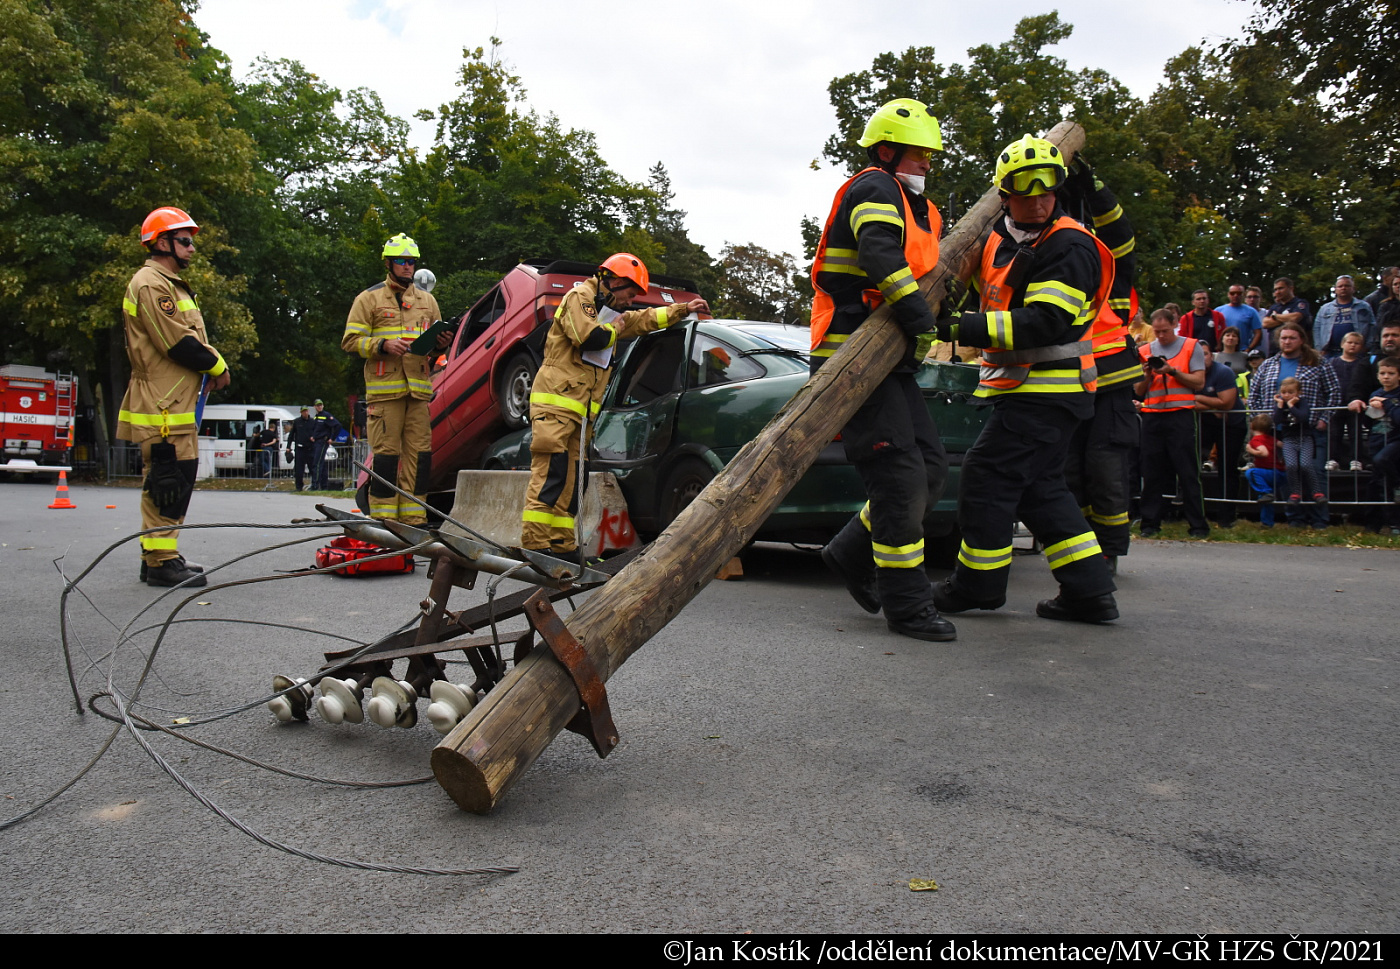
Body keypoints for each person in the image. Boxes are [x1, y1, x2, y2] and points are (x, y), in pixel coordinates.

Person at [931, 134, 1118, 624]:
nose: (1037, 195)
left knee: (985, 478)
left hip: (1048, 392)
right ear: (1003, 192)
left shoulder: (1071, 245)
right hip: (1031, 391)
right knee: (1041, 490)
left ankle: (978, 585)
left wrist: (959, 327)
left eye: (1047, 185)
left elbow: (1043, 322)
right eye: (1024, 185)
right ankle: (1090, 592)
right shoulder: (1001, 239)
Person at [811, 98, 954, 642]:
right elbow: (878, 255)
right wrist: (921, 321)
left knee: (931, 467)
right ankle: (907, 605)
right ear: (888, 150)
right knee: (898, 475)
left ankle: (850, 551)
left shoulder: (919, 207)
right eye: (918, 154)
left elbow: (921, 269)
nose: (925, 164)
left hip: (884, 356)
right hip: (850, 352)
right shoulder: (873, 186)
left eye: (929, 157)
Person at [523, 253, 709, 562]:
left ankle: (561, 545)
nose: (631, 300)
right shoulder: (580, 297)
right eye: (630, 293)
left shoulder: (609, 311)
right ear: (613, 282)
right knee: (551, 474)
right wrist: (615, 328)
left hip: (580, 413)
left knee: (574, 480)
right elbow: (589, 337)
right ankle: (535, 544)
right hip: (556, 406)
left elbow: (643, 320)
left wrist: (682, 309)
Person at [117, 207, 230, 588]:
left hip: (175, 401)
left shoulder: (167, 283)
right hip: (163, 405)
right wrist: (218, 367)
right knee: (169, 479)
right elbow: (178, 343)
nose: (192, 248)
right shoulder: (152, 283)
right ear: (162, 243)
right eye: (185, 241)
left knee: (173, 477)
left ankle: (158, 556)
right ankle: (161, 562)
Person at [1057, 162, 1141, 573]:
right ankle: (1082, 547)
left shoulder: (1113, 267)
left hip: (1110, 381)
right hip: (1065, 381)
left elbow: (1119, 233)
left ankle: (1107, 552)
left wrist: (1094, 187)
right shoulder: (1055, 258)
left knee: (1105, 468)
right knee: (1070, 469)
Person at [341, 234, 446, 521]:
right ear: (388, 263)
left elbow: (436, 349)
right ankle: (384, 520)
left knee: (420, 456)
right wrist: (381, 345)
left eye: (411, 261)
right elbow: (350, 341)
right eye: (401, 261)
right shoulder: (369, 299)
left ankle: (415, 519)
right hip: (385, 392)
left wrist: (441, 343)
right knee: (386, 456)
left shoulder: (428, 301)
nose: (407, 266)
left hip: (418, 392)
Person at [1248, 321, 1341, 528]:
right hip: (1278, 431)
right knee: (1289, 474)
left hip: (1309, 430)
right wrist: (1260, 422)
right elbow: (1253, 395)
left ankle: (1319, 519)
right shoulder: (1268, 364)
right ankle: (1295, 519)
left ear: (1301, 340)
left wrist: (1324, 418)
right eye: (1283, 338)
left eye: (1291, 337)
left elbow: (1334, 392)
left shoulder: (1318, 362)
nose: (1287, 341)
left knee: (1314, 471)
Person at [1135, 308, 1209, 537]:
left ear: (1174, 324)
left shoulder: (1191, 346)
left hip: (1181, 415)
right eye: (1156, 332)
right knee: (1151, 472)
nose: (1160, 336)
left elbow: (1198, 382)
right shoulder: (1145, 350)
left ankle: (1197, 525)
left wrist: (1173, 371)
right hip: (1153, 415)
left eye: (1165, 331)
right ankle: (1149, 523)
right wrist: (1148, 374)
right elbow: (1138, 390)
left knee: (1187, 471)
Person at [1196, 344, 1246, 526]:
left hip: (1232, 424)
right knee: (1191, 463)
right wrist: (1213, 405)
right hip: (1208, 422)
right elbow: (1185, 401)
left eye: (1206, 354)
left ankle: (1227, 515)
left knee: (1228, 469)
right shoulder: (1192, 373)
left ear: (1212, 356)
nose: (1202, 358)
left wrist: (1199, 399)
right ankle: (1196, 511)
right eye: (1197, 355)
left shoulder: (1223, 372)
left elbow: (1226, 404)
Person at [1272, 377, 1325, 508]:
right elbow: (1276, 420)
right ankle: (1295, 493)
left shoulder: (1302, 402)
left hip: (1305, 438)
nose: (1286, 395)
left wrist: (1291, 406)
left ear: (1299, 392)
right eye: (1284, 392)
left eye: (1290, 392)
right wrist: (1280, 406)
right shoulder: (1280, 404)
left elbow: (1302, 417)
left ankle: (1316, 492)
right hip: (1288, 440)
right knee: (1291, 466)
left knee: (1306, 465)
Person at [1360, 357, 1400, 532]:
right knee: (1376, 483)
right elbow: (1369, 423)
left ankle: (1395, 522)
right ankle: (1372, 525)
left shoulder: (1395, 396)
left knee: (1383, 464)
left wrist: (1387, 404)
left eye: (1391, 373)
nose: (1386, 377)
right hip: (1377, 440)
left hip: (1395, 441)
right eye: (1383, 373)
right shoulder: (1375, 393)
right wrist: (1365, 410)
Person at [1326, 332, 1368, 470]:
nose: (1353, 345)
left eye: (1357, 343)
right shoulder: (1332, 362)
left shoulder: (1362, 363)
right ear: (1342, 344)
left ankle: (1356, 459)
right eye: (1350, 342)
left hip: (1355, 405)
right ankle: (1332, 459)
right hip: (1336, 403)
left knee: (1355, 432)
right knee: (1334, 433)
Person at [1313, 275, 1376, 357]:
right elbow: (1317, 328)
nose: (1343, 288)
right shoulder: (1325, 308)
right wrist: (1319, 349)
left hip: (1357, 353)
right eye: (1340, 286)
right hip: (1330, 353)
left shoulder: (1364, 306)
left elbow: (1372, 326)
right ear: (1335, 290)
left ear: (1353, 289)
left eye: (1347, 286)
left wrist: (1367, 346)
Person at [1244, 414, 1285, 527]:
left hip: (1268, 472)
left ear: (1251, 426)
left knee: (1251, 473)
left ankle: (1266, 492)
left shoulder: (1255, 440)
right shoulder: (1271, 438)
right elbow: (1282, 445)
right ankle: (1267, 522)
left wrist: (1250, 450)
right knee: (1264, 499)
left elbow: (1264, 452)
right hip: (1280, 472)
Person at [1262, 277, 1312, 352]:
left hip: (1296, 350)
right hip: (1275, 350)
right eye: (1276, 289)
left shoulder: (1299, 303)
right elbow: (1265, 323)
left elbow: (1295, 318)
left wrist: (1275, 316)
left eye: (1281, 288)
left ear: (1291, 288)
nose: (1278, 292)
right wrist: (1286, 318)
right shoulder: (1275, 307)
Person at [308, 398, 342, 491]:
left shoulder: (326, 415)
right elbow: (317, 429)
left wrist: (332, 438)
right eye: (317, 405)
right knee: (321, 464)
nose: (319, 407)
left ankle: (315, 485)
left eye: (320, 405)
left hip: (322, 442)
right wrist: (313, 436)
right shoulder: (316, 417)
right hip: (316, 441)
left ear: (323, 406)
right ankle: (324, 485)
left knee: (317, 463)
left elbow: (337, 425)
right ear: (315, 407)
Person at [1217, 283, 1261, 352]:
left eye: (1239, 293)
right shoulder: (1218, 311)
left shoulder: (1251, 311)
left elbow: (1258, 333)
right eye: (1232, 293)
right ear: (1228, 294)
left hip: (1242, 351)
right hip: (1222, 351)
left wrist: (1249, 349)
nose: (1235, 295)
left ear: (1244, 295)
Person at [289, 405, 315, 491]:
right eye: (303, 411)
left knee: (312, 468)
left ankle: (314, 485)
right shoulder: (297, 422)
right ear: (301, 412)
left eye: (306, 411)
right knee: (299, 469)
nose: (305, 413)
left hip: (310, 448)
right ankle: (299, 486)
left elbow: (316, 432)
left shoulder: (312, 421)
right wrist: (288, 446)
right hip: (300, 448)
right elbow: (291, 434)